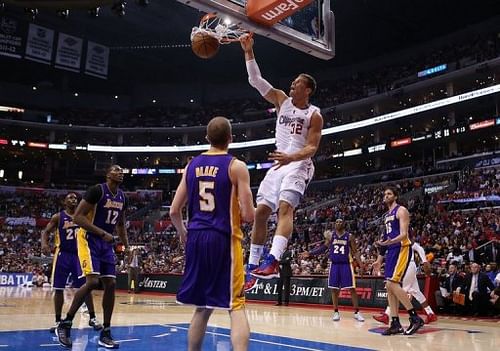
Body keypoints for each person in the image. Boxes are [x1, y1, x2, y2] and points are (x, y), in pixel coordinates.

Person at [239, 34, 323, 291]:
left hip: (298, 164)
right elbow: (255, 80)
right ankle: (253, 269)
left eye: (297, 83)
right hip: (278, 165)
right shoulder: (281, 101)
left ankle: (273, 260)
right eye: (293, 82)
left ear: (307, 89)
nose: (292, 85)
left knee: (285, 209)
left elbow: (312, 147)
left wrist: (291, 157)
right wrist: (248, 51)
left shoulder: (314, 114)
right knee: (260, 213)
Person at [170, 117, 255, 351]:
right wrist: (264, 209)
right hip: (222, 239)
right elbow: (248, 216)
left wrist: (183, 233)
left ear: (207, 138)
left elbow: (174, 210)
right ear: (230, 138)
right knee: (236, 306)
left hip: (196, 238)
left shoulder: (191, 165)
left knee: (202, 306)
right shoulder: (235, 166)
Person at [56, 165, 129, 349]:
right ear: (108, 174)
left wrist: (126, 245)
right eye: (116, 170)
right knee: (92, 282)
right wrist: (102, 233)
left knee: (111, 284)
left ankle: (106, 332)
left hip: (106, 243)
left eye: (122, 170)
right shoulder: (97, 191)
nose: (120, 172)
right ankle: (65, 324)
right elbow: (78, 218)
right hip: (88, 238)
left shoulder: (122, 197)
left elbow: (120, 224)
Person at [41, 192, 102, 333]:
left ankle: (92, 317)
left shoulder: (84, 216)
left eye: (76, 198)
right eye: (71, 198)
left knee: (87, 287)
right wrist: (44, 243)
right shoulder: (58, 217)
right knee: (58, 288)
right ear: (64, 202)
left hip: (80, 254)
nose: (74, 200)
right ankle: (58, 321)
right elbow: (45, 232)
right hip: (62, 254)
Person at [375, 187, 424, 335]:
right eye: (384, 194)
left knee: (392, 283)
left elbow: (404, 234)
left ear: (395, 196)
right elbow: (386, 239)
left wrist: (389, 243)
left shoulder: (401, 210)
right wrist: (379, 260)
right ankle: (395, 323)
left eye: (389, 193)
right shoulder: (386, 216)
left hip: (402, 248)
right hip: (391, 250)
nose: (386, 196)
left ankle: (415, 317)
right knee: (389, 287)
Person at [300, 219, 365, 322]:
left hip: (346, 265)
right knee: (334, 289)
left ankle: (357, 312)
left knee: (352, 288)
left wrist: (361, 265)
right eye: (336, 222)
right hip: (334, 265)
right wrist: (310, 253)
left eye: (340, 222)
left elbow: (355, 252)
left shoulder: (350, 237)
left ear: (344, 224)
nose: (338, 223)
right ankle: (336, 312)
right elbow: (323, 248)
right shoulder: (331, 237)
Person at [373, 241, 437, 324]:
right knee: (416, 291)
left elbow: (418, 247)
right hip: (408, 266)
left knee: (396, 290)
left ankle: (387, 315)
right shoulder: (394, 238)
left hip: (406, 266)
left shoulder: (404, 237)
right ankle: (430, 313)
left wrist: (425, 262)